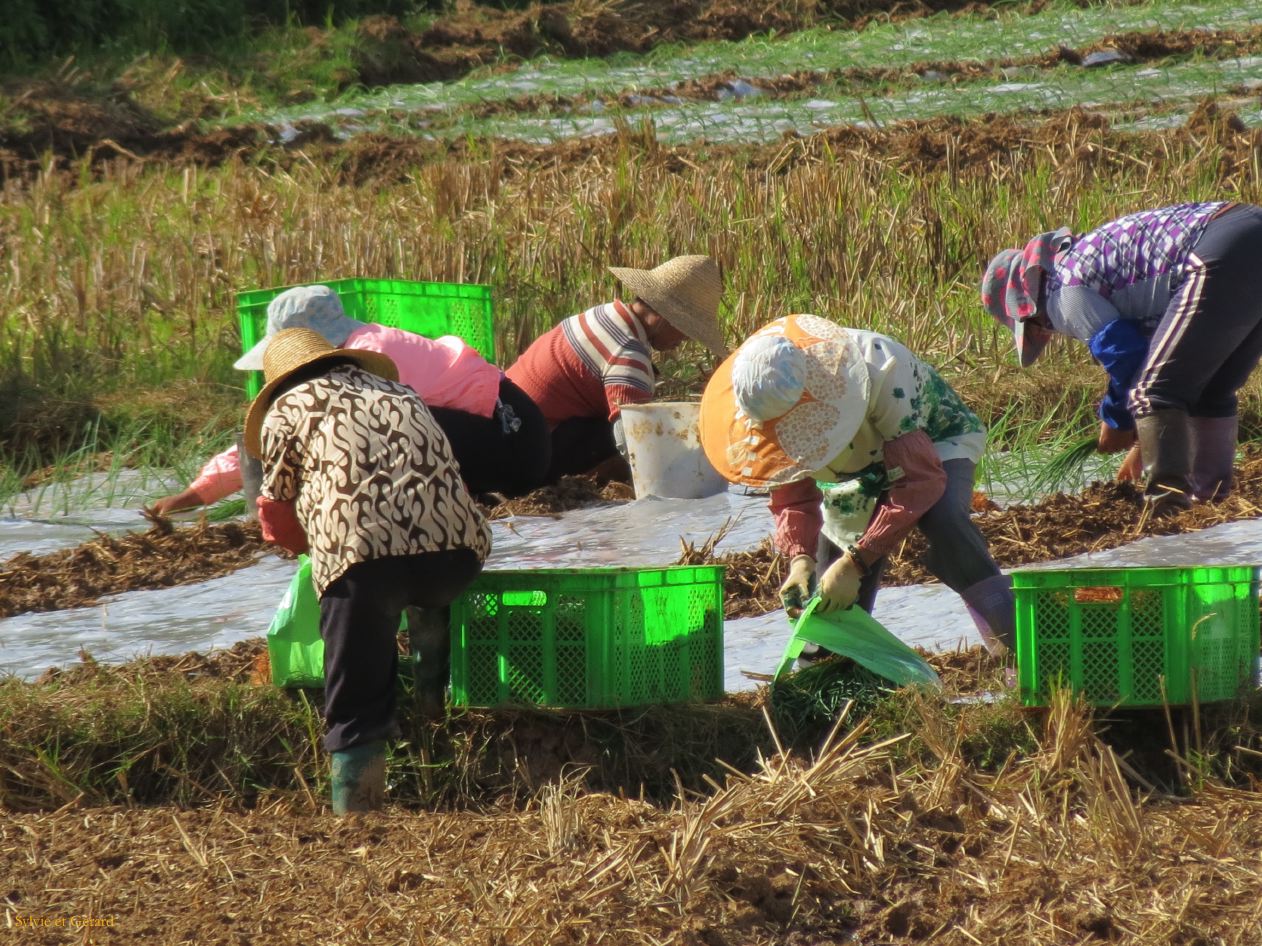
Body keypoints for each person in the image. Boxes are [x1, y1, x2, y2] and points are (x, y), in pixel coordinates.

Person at [245, 327, 491, 815]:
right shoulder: (400, 392)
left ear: (278, 382)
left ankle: (359, 814)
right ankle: (431, 706)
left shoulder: (287, 409)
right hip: (458, 557)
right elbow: (448, 478)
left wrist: (317, 556)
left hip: (366, 565)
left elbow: (276, 518)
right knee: (416, 582)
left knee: (356, 683)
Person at [699, 314, 1014, 657]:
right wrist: (799, 558)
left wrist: (857, 561)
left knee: (944, 521)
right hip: (853, 472)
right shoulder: (769, 397)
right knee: (826, 592)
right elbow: (792, 494)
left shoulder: (878, 367)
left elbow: (919, 481)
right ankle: (839, 677)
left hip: (933, 441)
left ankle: (1014, 644)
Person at [151, 284, 549, 513]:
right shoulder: (350, 352)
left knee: (372, 428)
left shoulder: (368, 359)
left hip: (511, 438)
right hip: (498, 437)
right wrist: (196, 494)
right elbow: (268, 439)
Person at [982, 201, 1262, 515]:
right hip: (1246, 232)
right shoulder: (1089, 263)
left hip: (1221, 246)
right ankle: (1211, 503)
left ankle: (1166, 510)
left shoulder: (1063, 293)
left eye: (1039, 327)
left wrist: (1117, 420)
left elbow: (1129, 358)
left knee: (1153, 393)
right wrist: (1142, 445)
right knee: (1210, 391)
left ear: (1029, 308)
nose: (1049, 330)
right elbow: (1164, 368)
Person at [506, 255, 728, 483]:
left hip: (508, 431)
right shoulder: (628, 353)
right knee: (636, 431)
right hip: (525, 456)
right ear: (666, 317)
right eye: (687, 330)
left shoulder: (602, 314)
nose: (685, 340)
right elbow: (633, 439)